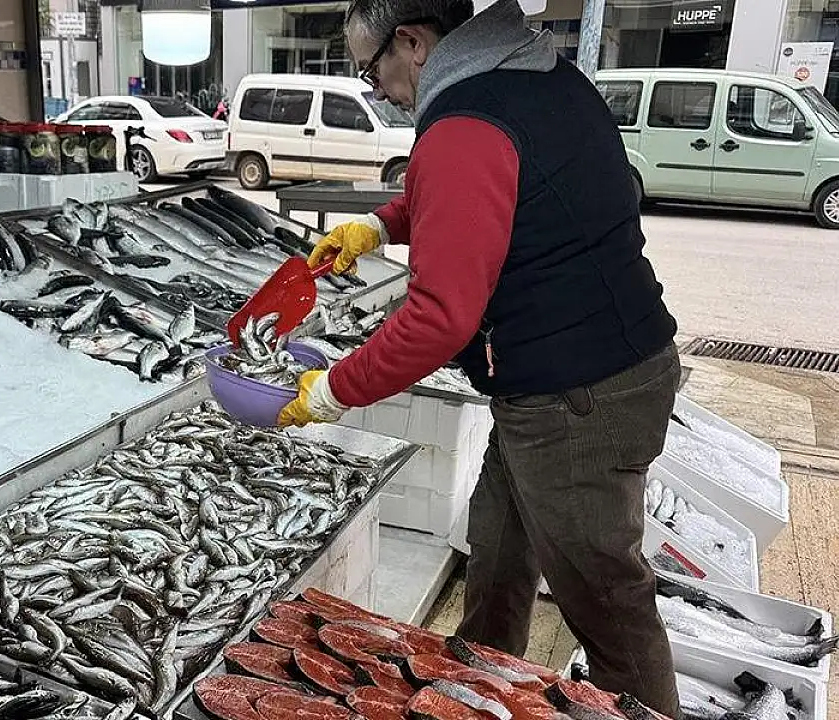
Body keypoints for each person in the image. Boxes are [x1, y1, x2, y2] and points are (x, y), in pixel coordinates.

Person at [276, 0, 683, 715]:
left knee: (607, 607)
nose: (377, 91)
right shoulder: (531, 74)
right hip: (561, 379)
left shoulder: (464, 123)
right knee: (496, 553)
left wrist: (334, 390)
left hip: (579, 397)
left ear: (412, 41)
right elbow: (488, 196)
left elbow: (439, 317)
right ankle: (473, 695)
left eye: (371, 70)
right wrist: (380, 226)